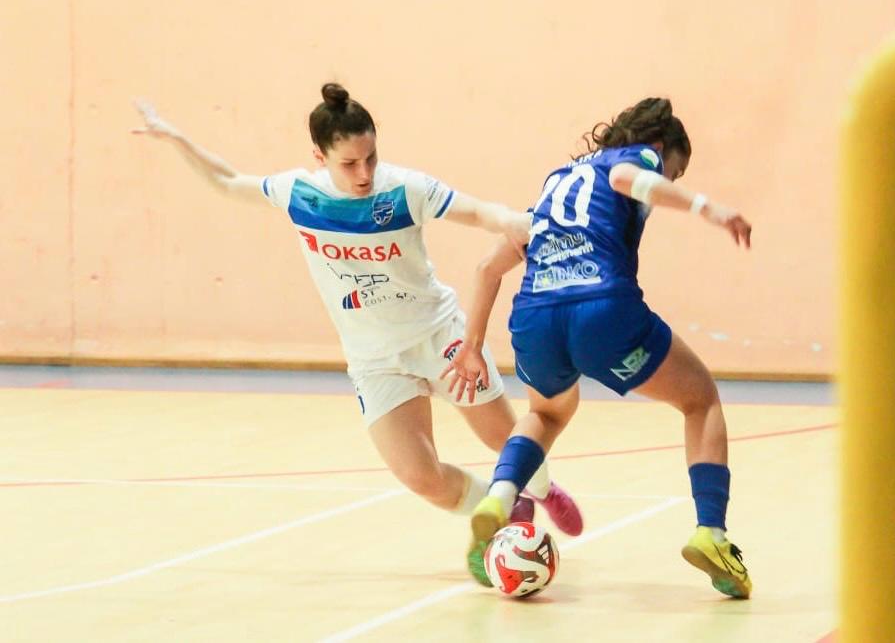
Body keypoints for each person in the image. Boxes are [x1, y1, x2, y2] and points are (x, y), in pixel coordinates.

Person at [131, 84, 584, 581]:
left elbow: (477, 211)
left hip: (439, 339)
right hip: (375, 360)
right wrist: (176, 138)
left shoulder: (404, 189)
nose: (364, 173)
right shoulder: (298, 193)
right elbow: (228, 180)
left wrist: (518, 221)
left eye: (370, 157)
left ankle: (543, 490)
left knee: (506, 440)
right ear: (319, 156)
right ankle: (508, 516)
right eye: (349, 163)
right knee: (421, 477)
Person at [442, 97, 755, 598]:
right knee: (700, 398)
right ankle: (711, 534)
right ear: (659, 147)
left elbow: (487, 268)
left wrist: (473, 346)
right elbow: (630, 179)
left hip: (535, 318)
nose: (668, 179)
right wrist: (707, 207)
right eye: (673, 170)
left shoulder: (556, 183)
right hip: (601, 308)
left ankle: (500, 495)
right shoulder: (633, 159)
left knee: (546, 414)